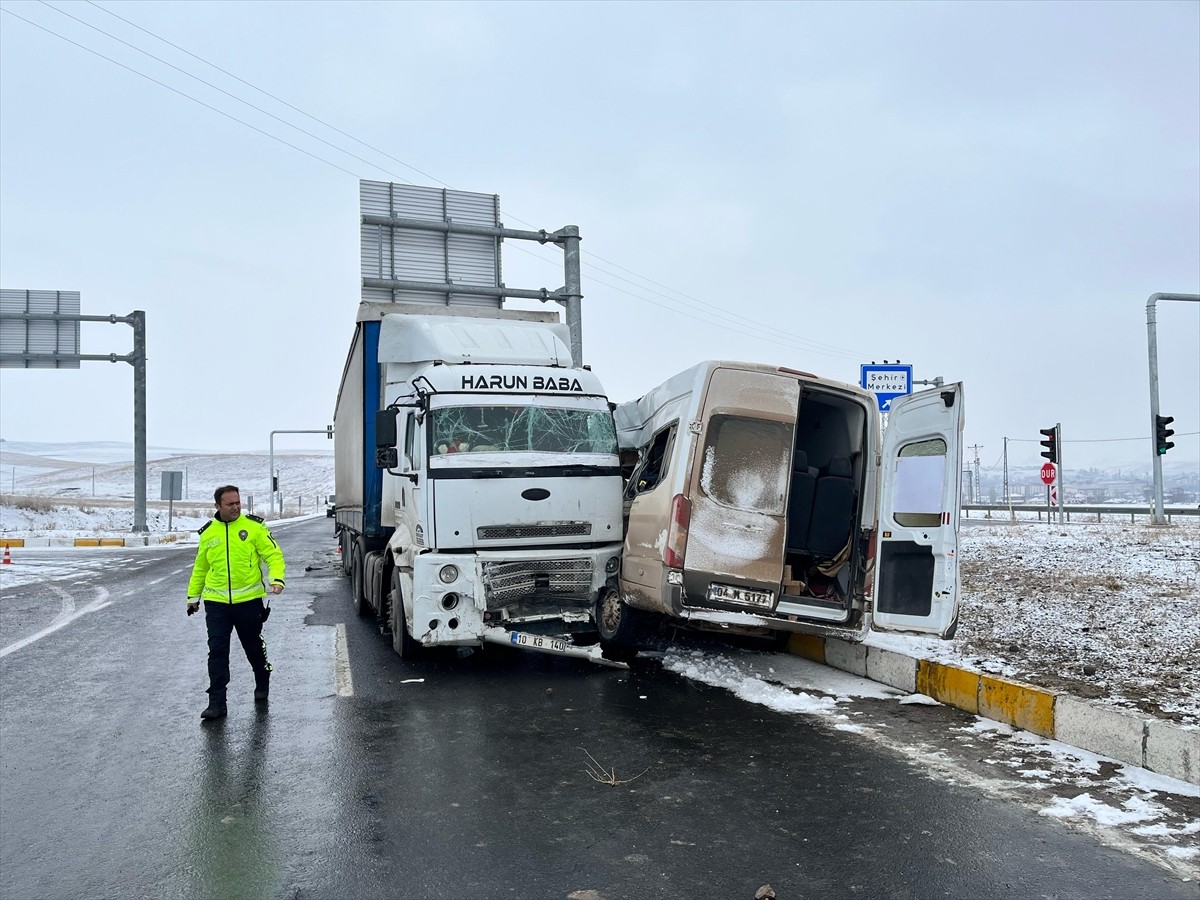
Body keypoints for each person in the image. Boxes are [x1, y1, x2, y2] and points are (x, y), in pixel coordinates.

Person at [187, 485, 285, 721]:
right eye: (230, 504)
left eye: (238, 503)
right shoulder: (208, 533)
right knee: (217, 651)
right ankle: (217, 703)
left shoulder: (254, 527)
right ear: (217, 506)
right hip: (216, 603)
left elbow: (273, 555)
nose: (236, 507)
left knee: (252, 646)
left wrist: (277, 579)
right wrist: (193, 597)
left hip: (248, 602)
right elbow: (201, 567)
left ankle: (262, 677)